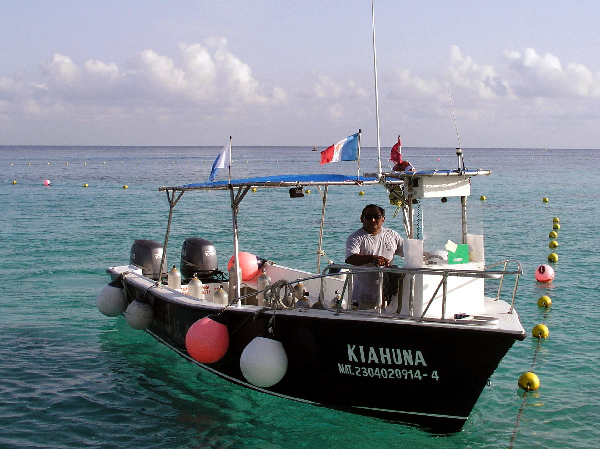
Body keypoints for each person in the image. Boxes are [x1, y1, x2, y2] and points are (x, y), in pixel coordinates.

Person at [345, 204, 404, 309]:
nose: (372, 220)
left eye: (377, 217)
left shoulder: (392, 235)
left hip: (388, 294)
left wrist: (425, 255)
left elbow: (407, 252)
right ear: (361, 219)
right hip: (364, 295)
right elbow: (350, 258)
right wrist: (373, 258)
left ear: (383, 219)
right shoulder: (356, 238)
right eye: (368, 217)